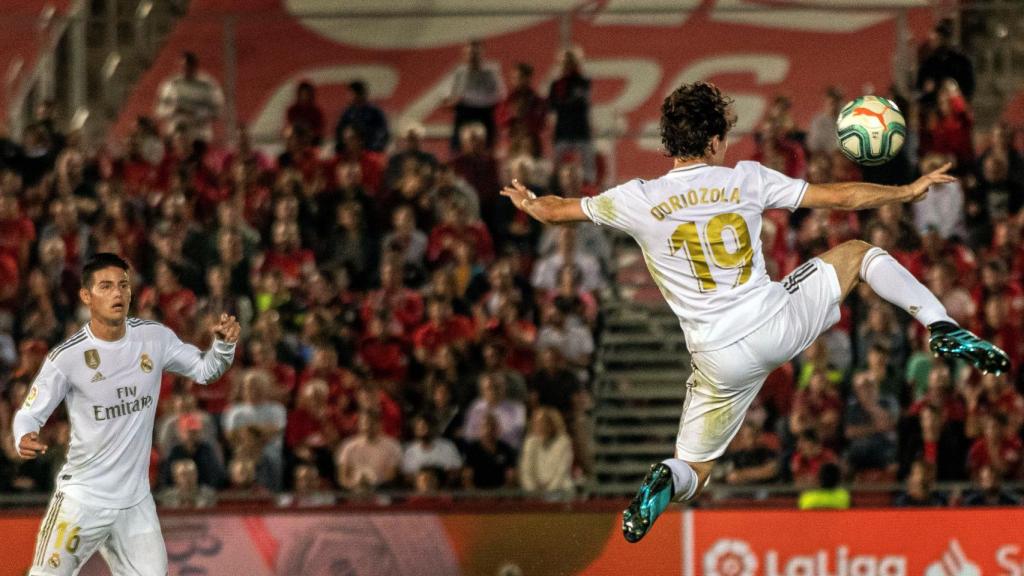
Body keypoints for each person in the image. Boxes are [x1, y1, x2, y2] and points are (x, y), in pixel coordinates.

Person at [500, 81, 1010, 543]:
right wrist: (906, 189)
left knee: (693, 472)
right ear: (717, 139)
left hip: (716, 358)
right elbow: (838, 197)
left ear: (665, 144)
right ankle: (940, 324)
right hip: (773, 319)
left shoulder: (636, 198)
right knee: (858, 253)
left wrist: (529, 203)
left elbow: (557, 212)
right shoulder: (745, 178)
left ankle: (662, 478)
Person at [12, 253, 239, 575]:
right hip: (83, 499)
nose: (118, 293)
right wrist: (24, 435)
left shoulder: (154, 338)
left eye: (123, 285)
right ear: (86, 296)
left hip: (135, 504)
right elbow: (28, 413)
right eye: (106, 286)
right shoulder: (68, 358)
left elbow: (205, 370)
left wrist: (223, 347)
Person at [155, 51, 224, 141]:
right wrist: (174, 110)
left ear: (194, 66)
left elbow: (217, 110)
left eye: (187, 67)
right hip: (176, 133)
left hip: (199, 133)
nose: (183, 70)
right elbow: (160, 110)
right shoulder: (170, 85)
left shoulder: (208, 85)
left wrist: (195, 113)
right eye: (182, 67)